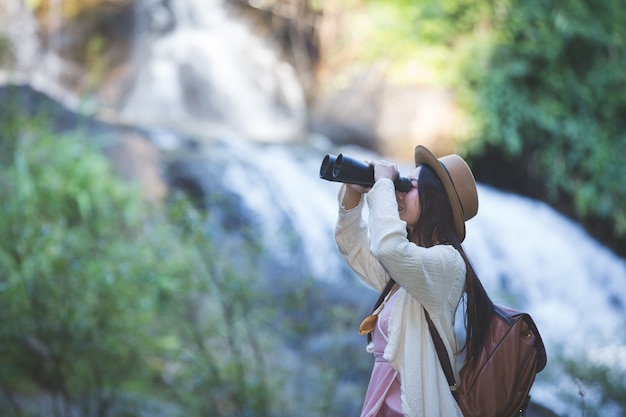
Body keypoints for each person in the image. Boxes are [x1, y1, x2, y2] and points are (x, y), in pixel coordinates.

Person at [334, 145, 494, 417]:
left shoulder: (448, 264)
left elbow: (389, 248)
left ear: (436, 200)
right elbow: (355, 249)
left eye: (408, 185)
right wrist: (353, 193)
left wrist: (383, 184)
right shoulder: (408, 271)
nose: (398, 192)